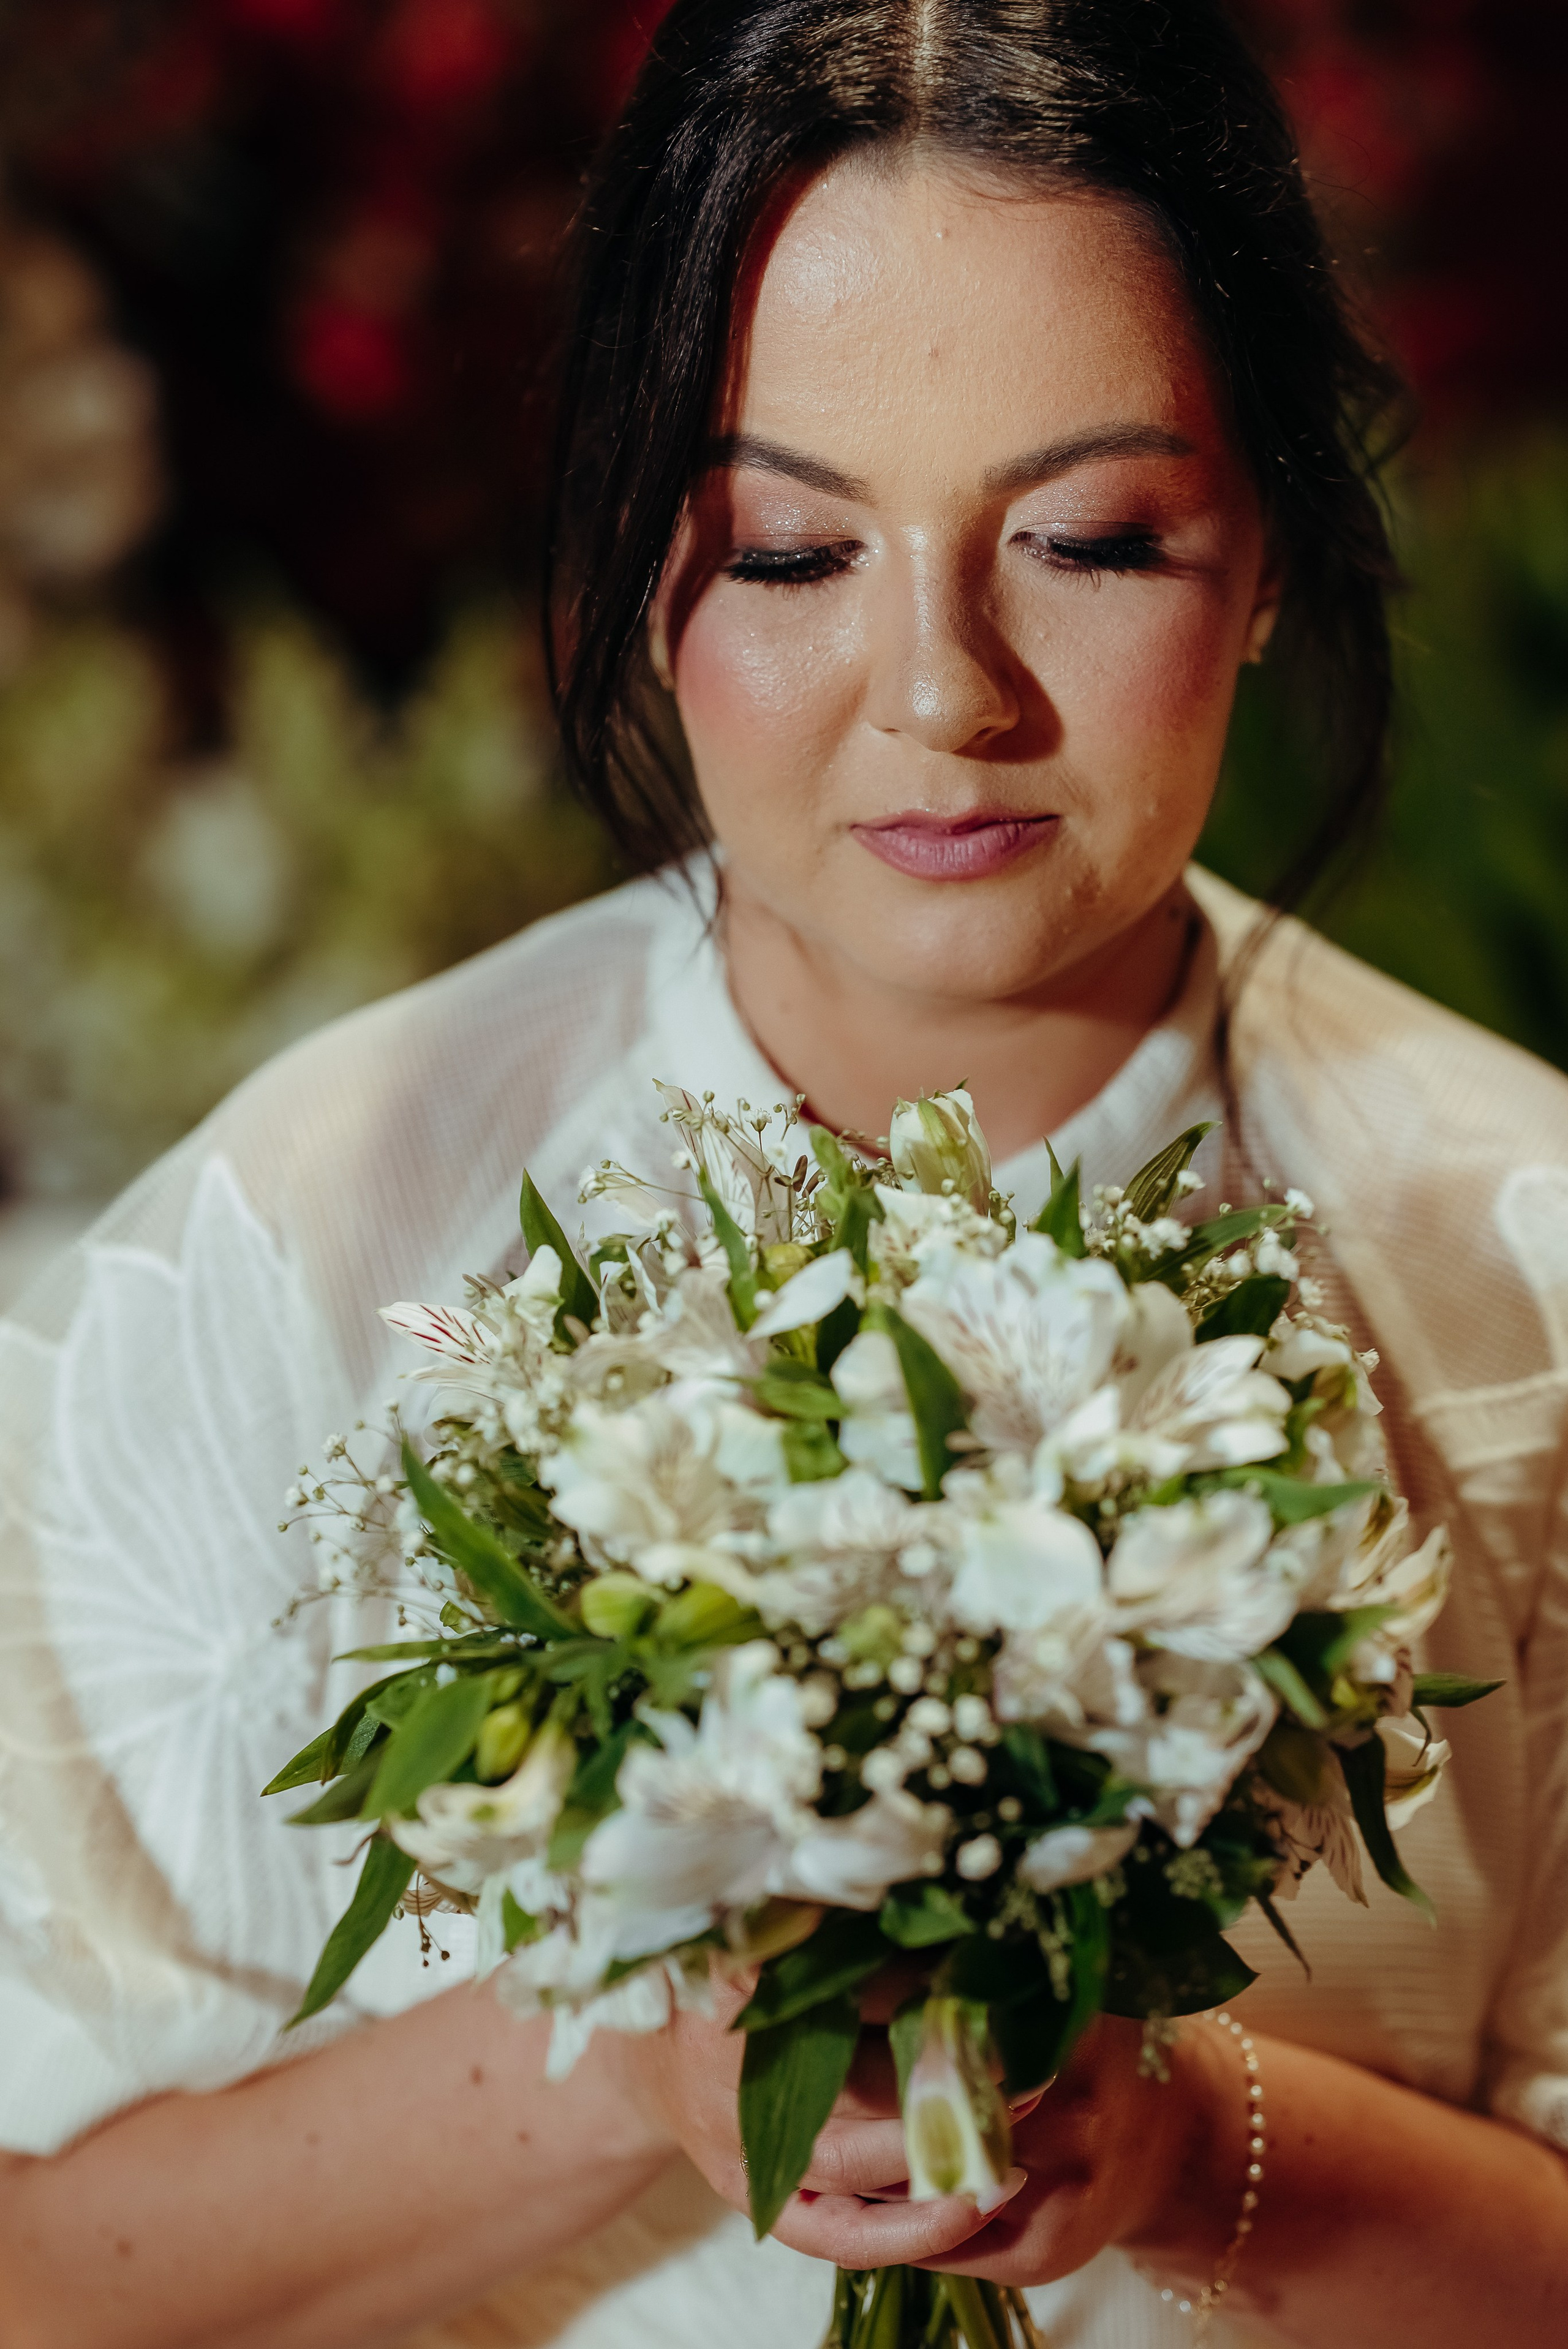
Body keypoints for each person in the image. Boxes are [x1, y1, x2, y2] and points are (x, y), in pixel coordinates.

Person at [3, 3, 1567, 2344]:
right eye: (798, 547)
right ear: (650, 568)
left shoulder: (1524, 1268)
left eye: (1089, 537)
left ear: (1263, 553)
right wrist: (633, 2054)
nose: (941, 690)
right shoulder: (279, 1257)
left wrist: (1187, 2138)